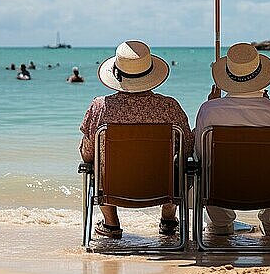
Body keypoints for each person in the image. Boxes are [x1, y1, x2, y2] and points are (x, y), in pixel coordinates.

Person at [79, 40, 193, 239]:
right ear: (150, 74)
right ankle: (168, 219)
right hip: (162, 188)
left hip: (113, 188)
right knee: (178, 167)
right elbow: (188, 149)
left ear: (116, 74)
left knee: (98, 165)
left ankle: (111, 224)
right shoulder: (169, 107)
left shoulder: (99, 107)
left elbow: (88, 153)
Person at [194, 43, 270, 237]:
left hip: (219, 193)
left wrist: (212, 104)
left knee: (205, 170)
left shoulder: (209, 110)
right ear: (261, 78)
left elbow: (200, 155)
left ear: (228, 77)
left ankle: (221, 226)